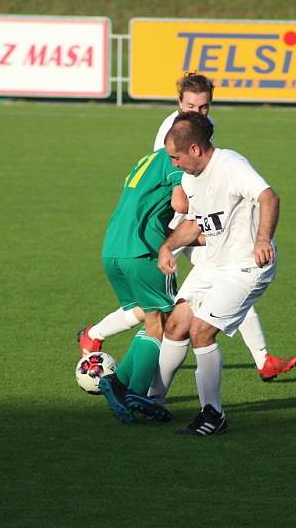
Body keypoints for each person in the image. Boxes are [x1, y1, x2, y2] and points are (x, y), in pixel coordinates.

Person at [79, 72, 296, 382]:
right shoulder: (175, 130)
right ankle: (97, 336)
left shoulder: (204, 128)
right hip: (175, 222)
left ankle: (262, 359)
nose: (198, 112)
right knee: (163, 307)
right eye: (192, 106)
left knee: (222, 279)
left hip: (198, 217)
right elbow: (177, 189)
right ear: (180, 103)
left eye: (204, 107)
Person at [152, 112, 280, 436]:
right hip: (213, 263)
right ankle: (153, 400)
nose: (174, 164)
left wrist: (262, 239)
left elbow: (269, 196)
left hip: (245, 266)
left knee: (201, 331)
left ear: (195, 149)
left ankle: (213, 414)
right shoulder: (189, 179)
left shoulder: (232, 165)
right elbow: (198, 223)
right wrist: (169, 247)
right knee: (177, 324)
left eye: (175, 157)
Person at [95, 146, 186, 424]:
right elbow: (181, 204)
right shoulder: (175, 159)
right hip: (143, 249)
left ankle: (117, 382)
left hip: (113, 247)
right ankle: (135, 392)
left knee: (151, 317)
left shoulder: (147, 159)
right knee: (166, 321)